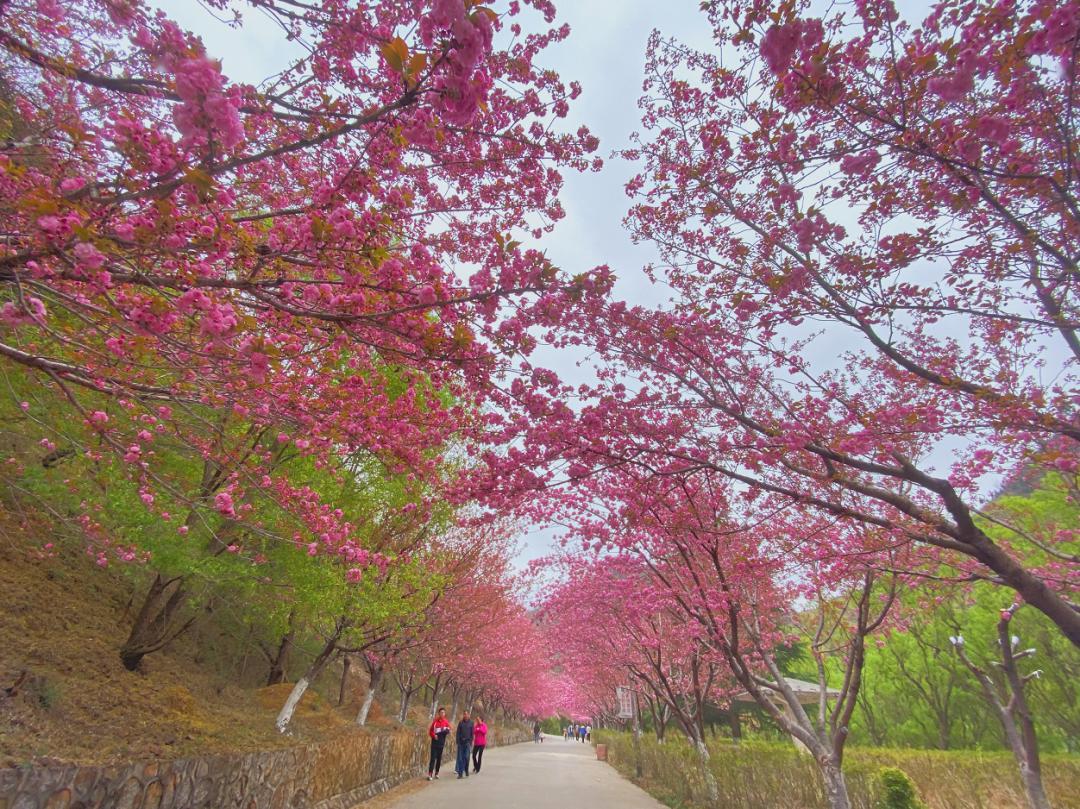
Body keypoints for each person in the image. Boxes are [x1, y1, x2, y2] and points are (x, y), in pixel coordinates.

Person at [427, 707, 451, 781]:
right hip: (434, 743)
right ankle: (430, 773)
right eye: (441, 713)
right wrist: (434, 735)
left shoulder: (446, 722)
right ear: (439, 713)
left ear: (445, 714)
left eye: (443, 712)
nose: (442, 714)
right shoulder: (435, 722)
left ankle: (437, 773)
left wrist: (446, 731)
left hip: (441, 743)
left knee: (439, 759)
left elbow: (449, 730)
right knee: (432, 758)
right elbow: (430, 731)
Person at [455, 710, 474, 779]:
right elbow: (457, 733)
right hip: (461, 743)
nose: (465, 715)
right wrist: (457, 741)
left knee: (466, 757)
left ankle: (466, 769)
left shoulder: (471, 723)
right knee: (460, 758)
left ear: (469, 715)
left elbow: (472, 733)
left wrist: (471, 742)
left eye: (467, 714)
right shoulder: (460, 723)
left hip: (467, 743)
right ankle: (460, 773)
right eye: (464, 714)